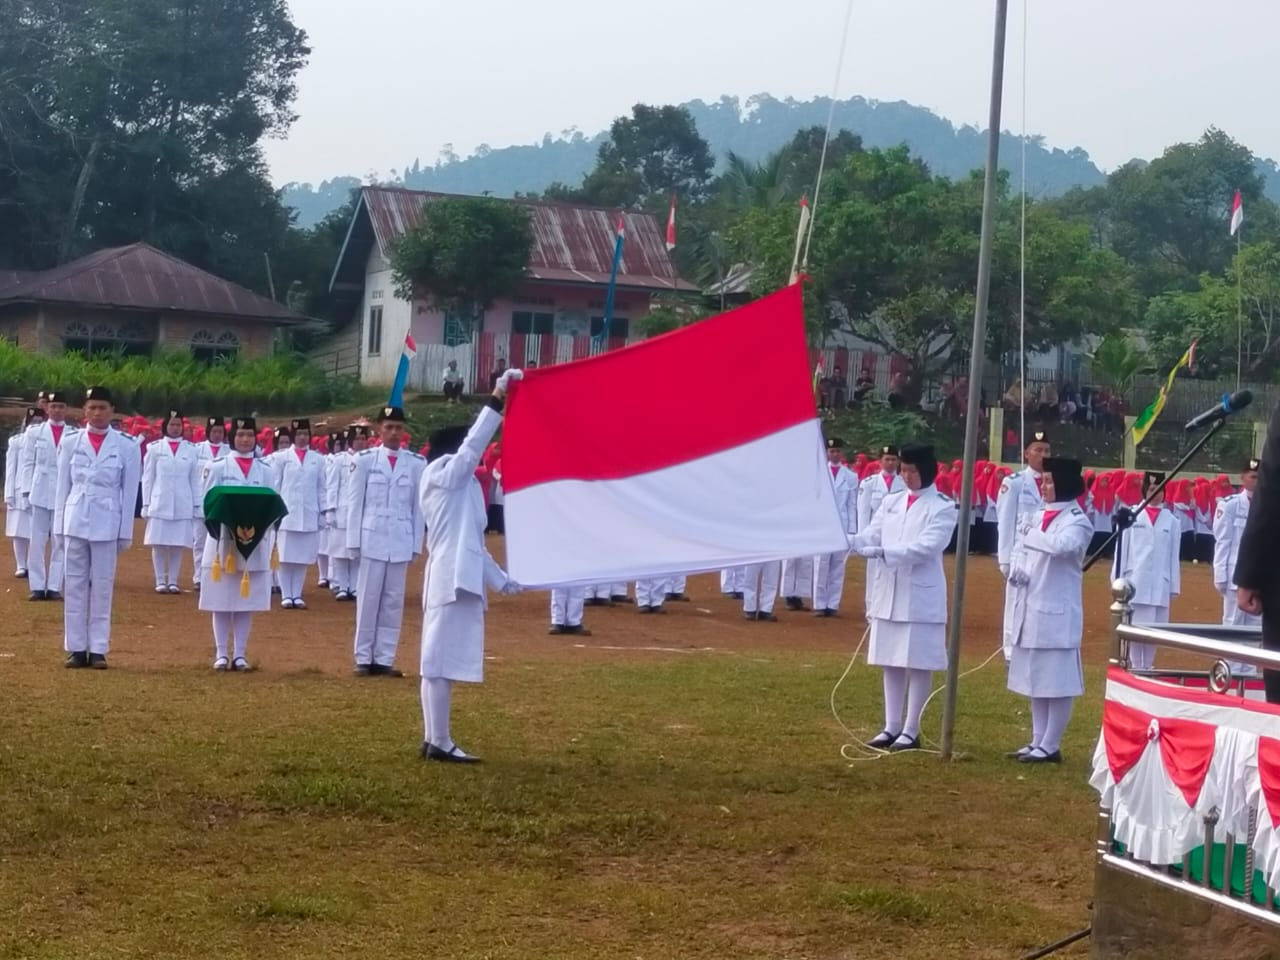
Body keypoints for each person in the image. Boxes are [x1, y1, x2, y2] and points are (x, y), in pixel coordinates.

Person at [418, 369, 524, 763]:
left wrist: (504, 582)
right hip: (450, 577)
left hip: (455, 572)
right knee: (438, 661)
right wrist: (497, 397)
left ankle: (434, 739)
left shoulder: (463, 491)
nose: (475, 454)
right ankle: (441, 741)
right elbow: (472, 447)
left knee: (436, 660)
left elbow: (474, 546)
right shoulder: (441, 475)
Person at [849, 444, 958, 752]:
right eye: (904, 471)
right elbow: (872, 533)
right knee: (891, 661)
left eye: (913, 471)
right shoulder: (892, 501)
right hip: (889, 591)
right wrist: (848, 539)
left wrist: (886, 552)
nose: (907, 477)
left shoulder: (942, 506)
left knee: (918, 662)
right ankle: (891, 725)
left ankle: (912, 729)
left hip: (919, 595)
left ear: (926, 471)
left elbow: (927, 547)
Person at [1004, 457, 1093, 764]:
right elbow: (1022, 549)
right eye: (1042, 481)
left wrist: (1029, 533)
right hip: (1030, 605)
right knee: (1035, 677)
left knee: (1058, 680)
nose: (1044, 487)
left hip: (1057, 611)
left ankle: (1052, 743)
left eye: (1050, 481)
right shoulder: (1039, 514)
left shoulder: (1077, 520)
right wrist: (1018, 568)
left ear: (1065, 484)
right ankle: (1037, 739)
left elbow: (1062, 547)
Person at [55, 386, 141, 669]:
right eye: (92, 407)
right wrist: (58, 527)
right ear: (84, 411)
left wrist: (125, 531)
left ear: (112, 411)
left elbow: (129, 494)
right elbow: (61, 487)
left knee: (102, 587)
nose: (97, 413)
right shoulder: (70, 442)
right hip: (75, 517)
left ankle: (99, 648)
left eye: (103, 407)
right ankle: (77, 647)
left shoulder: (126, 445)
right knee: (75, 584)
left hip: (107, 519)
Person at [346, 405, 426, 676]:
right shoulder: (365, 460)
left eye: (398, 427)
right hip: (372, 537)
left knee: (393, 601)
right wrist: (353, 541)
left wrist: (416, 543)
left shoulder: (416, 463)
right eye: (389, 427)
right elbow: (355, 502)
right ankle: (363, 657)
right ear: (379, 430)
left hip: (400, 539)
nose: (394, 432)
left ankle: (384, 658)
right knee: (368, 599)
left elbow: (418, 508)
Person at [198, 417, 278, 671]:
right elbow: (207, 503)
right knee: (221, 599)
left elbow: (272, 504)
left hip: (254, 542)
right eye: (241, 434)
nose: (245, 439)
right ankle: (221, 653)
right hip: (224, 542)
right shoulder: (217, 466)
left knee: (246, 601)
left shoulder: (266, 469)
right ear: (233, 437)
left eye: (250, 435)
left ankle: (240, 654)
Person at [1112, 471, 1180, 672]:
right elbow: (1122, 550)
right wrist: (1117, 581)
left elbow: (1173, 556)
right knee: (1134, 628)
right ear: (1144, 490)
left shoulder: (1172, 521)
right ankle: (1135, 667)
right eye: (1151, 489)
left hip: (1160, 583)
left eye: (1160, 489)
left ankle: (1148, 667)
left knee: (1154, 630)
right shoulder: (1131, 515)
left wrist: (1173, 586)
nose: (1156, 493)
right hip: (1135, 581)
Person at [996, 430, 1050, 661]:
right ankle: (1010, 652)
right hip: (1020, 553)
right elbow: (1005, 520)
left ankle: (1034, 645)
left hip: (1044, 553)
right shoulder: (1014, 482)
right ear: (1026, 453)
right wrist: (1004, 558)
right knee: (1015, 603)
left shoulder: (1053, 483)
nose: (1043, 455)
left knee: (1039, 601)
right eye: (1038, 450)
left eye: (1047, 450)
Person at [20, 390, 74, 601]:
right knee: (37, 540)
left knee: (59, 540)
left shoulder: (73, 434)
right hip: (40, 490)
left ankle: (54, 586)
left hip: (63, 494)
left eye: (61, 406)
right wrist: (25, 491)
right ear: (47, 408)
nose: (57, 410)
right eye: (53, 406)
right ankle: (36, 585)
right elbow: (27, 463)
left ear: (66, 409)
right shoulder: (34, 432)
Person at [141, 408, 201, 594]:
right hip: (160, 500)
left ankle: (173, 581)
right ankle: (160, 580)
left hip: (182, 501)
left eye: (178, 425)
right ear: (165, 426)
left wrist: (196, 503)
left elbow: (195, 478)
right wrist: (146, 503)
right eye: (172, 424)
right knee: (159, 543)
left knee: (177, 544)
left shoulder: (191, 450)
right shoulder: (155, 449)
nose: (175, 428)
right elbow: (148, 477)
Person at [1215, 458, 1262, 676]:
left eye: (1259, 476)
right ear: (1242, 478)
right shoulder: (1231, 504)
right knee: (1232, 626)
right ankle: (1230, 676)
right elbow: (1223, 541)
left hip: (1260, 580)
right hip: (1235, 576)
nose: (1256, 480)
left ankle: (1249, 676)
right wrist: (1220, 576)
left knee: (1255, 631)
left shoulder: (1269, 504)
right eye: (1252, 476)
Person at [272, 418, 325, 609]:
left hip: (309, 512)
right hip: (287, 513)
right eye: (299, 434)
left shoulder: (318, 460)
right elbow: (276, 486)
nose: (302, 438)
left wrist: (323, 512)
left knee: (302, 557)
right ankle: (286, 594)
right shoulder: (281, 458)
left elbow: (322, 488)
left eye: (305, 434)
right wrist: (274, 512)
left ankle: (297, 593)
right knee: (285, 556)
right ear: (293, 436)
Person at [856, 446, 906, 620]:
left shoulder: (903, 483)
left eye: (893, 459)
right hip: (875, 535)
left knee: (895, 572)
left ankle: (892, 610)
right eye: (887, 459)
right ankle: (871, 611)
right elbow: (863, 512)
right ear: (880, 461)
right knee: (873, 575)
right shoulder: (869, 483)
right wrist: (863, 538)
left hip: (896, 534)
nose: (890, 463)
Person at [814, 436, 859, 617]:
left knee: (838, 566)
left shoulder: (851, 476)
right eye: (832, 451)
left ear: (842, 453)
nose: (835, 454)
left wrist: (852, 530)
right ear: (826, 452)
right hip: (822, 526)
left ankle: (833, 604)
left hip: (842, 526)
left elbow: (852, 504)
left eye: (838, 451)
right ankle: (819, 603)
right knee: (821, 565)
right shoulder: (818, 473)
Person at [5, 406, 42, 578]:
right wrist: (9, 493)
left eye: (39, 422)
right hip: (20, 491)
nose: (36, 425)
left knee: (37, 531)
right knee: (19, 530)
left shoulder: (47, 442)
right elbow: (11, 469)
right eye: (33, 422)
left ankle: (34, 565)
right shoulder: (17, 441)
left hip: (41, 491)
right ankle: (21, 565)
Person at [192, 417, 230, 587]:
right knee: (199, 542)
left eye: (220, 432)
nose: (217, 435)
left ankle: (218, 575)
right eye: (214, 431)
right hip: (200, 502)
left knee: (220, 541)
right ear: (208, 432)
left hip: (221, 505)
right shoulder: (196, 450)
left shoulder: (229, 452)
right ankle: (199, 576)